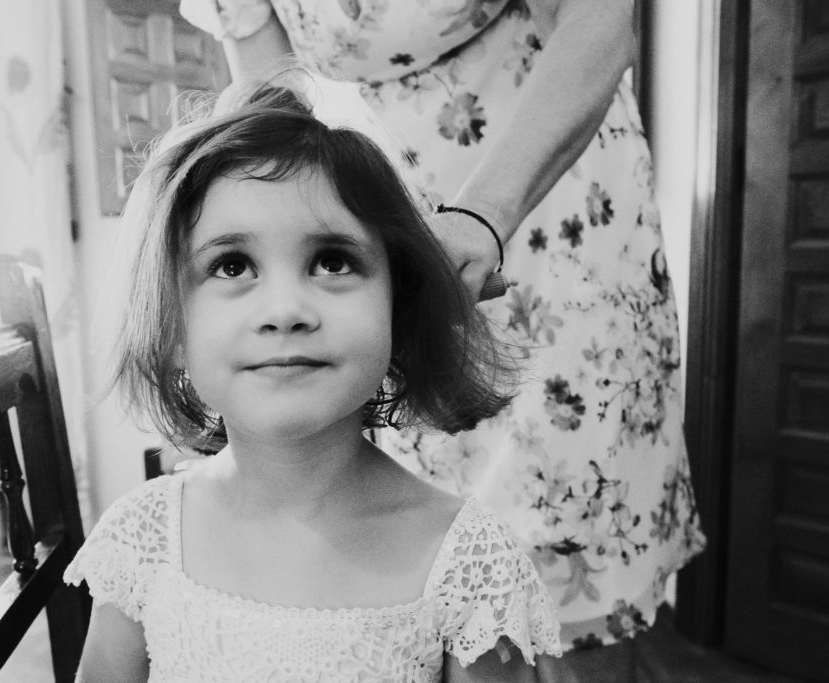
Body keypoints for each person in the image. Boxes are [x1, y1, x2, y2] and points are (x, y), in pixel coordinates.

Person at [178, 0, 706, 677]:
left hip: (557, 215)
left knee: (571, 560)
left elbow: (596, 23)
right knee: (431, 565)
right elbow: (279, 107)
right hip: (394, 243)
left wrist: (485, 215)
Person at [64, 82, 561, 681]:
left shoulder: (470, 567)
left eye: (332, 261)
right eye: (232, 265)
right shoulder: (140, 543)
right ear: (171, 323)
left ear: (398, 310)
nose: (285, 309)